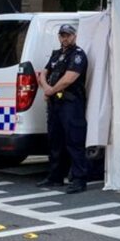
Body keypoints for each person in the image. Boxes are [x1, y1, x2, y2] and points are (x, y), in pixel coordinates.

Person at [36, 24, 89, 193]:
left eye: (68, 35)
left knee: (74, 141)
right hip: (55, 103)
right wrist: (46, 88)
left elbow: (69, 78)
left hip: (70, 103)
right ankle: (55, 177)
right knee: (55, 140)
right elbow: (42, 73)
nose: (65, 38)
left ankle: (79, 179)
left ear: (74, 36)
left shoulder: (78, 55)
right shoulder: (56, 54)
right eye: (62, 35)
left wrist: (51, 90)